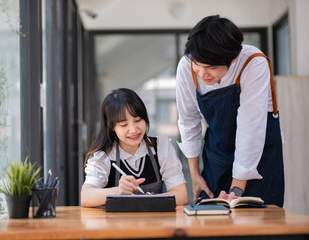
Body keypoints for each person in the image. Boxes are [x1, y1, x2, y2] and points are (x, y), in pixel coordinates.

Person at [176, 15, 284, 207]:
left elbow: (250, 128)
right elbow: (188, 121)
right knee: (210, 224)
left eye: (211, 68)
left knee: (260, 225)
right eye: (198, 66)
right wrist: (195, 174)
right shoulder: (186, 66)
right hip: (218, 154)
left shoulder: (253, 63)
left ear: (233, 59)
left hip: (261, 155)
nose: (202, 74)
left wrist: (236, 189)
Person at [81, 88, 188, 207]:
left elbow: (181, 196)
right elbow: (86, 197)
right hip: (116, 225)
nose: (133, 130)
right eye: (123, 125)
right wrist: (118, 190)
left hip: (154, 223)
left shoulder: (161, 146)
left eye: (137, 120)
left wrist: (144, 200)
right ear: (111, 126)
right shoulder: (105, 156)